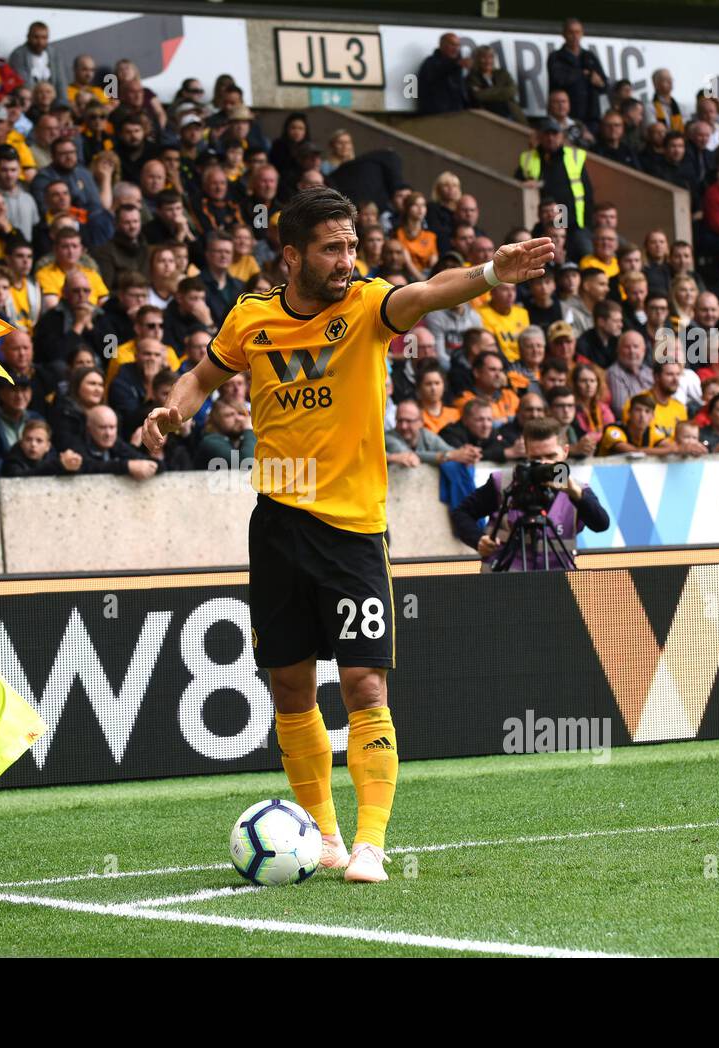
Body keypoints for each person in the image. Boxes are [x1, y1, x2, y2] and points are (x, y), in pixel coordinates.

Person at [141, 186, 552, 883]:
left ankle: (370, 844)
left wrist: (489, 275)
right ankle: (322, 837)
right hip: (277, 527)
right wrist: (170, 411)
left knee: (364, 685)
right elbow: (202, 375)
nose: (346, 260)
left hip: (355, 531)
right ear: (292, 253)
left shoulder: (367, 306)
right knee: (291, 688)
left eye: (352, 246)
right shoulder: (252, 319)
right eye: (332, 248)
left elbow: (424, 294)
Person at [449, 417, 609, 570]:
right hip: (507, 583)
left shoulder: (577, 489)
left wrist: (577, 494)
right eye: (536, 458)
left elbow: (601, 524)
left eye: (551, 456)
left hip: (556, 583)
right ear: (526, 453)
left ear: (565, 451)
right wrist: (478, 539)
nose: (544, 463)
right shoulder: (503, 482)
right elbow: (461, 513)